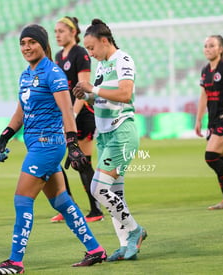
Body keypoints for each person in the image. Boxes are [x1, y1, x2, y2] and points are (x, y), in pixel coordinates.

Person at [0, 24, 107, 274]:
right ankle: (95, 250)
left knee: (22, 199)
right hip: (35, 143)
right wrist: (5, 136)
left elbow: (67, 111)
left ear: (43, 44)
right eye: (22, 43)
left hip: (47, 145)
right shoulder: (25, 75)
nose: (27, 47)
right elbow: (21, 110)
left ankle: (15, 262)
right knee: (62, 202)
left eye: (32, 42)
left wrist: (72, 144)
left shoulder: (54, 73)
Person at [73, 18, 147, 261]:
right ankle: (127, 245)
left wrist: (93, 89)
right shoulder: (103, 65)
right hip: (104, 134)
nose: (90, 53)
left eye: (92, 47)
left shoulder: (122, 59)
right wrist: (87, 96)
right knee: (115, 193)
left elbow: (125, 94)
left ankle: (135, 230)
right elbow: (104, 99)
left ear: (105, 41)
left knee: (98, 189)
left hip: (122, 132)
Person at [50, 16, 103, 223]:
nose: (57, 35)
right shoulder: (58, 55)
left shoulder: (80, 53)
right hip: (66, 117)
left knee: (82, 163)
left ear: (73, 32)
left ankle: (95, 211)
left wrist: (71, 114)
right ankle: (68, 207)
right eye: (55, 32)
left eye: (61, 31)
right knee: (56, 162)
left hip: (82, 116)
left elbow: (83, 86)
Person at [195, 35, 223, 210]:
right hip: (212, 121)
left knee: (211, 156)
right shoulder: (205, 70)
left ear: (221, 49)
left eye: (212, 45)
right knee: (222, 159)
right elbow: (203, 96)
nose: (208, 48)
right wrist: (198, 119)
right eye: (206, 46)